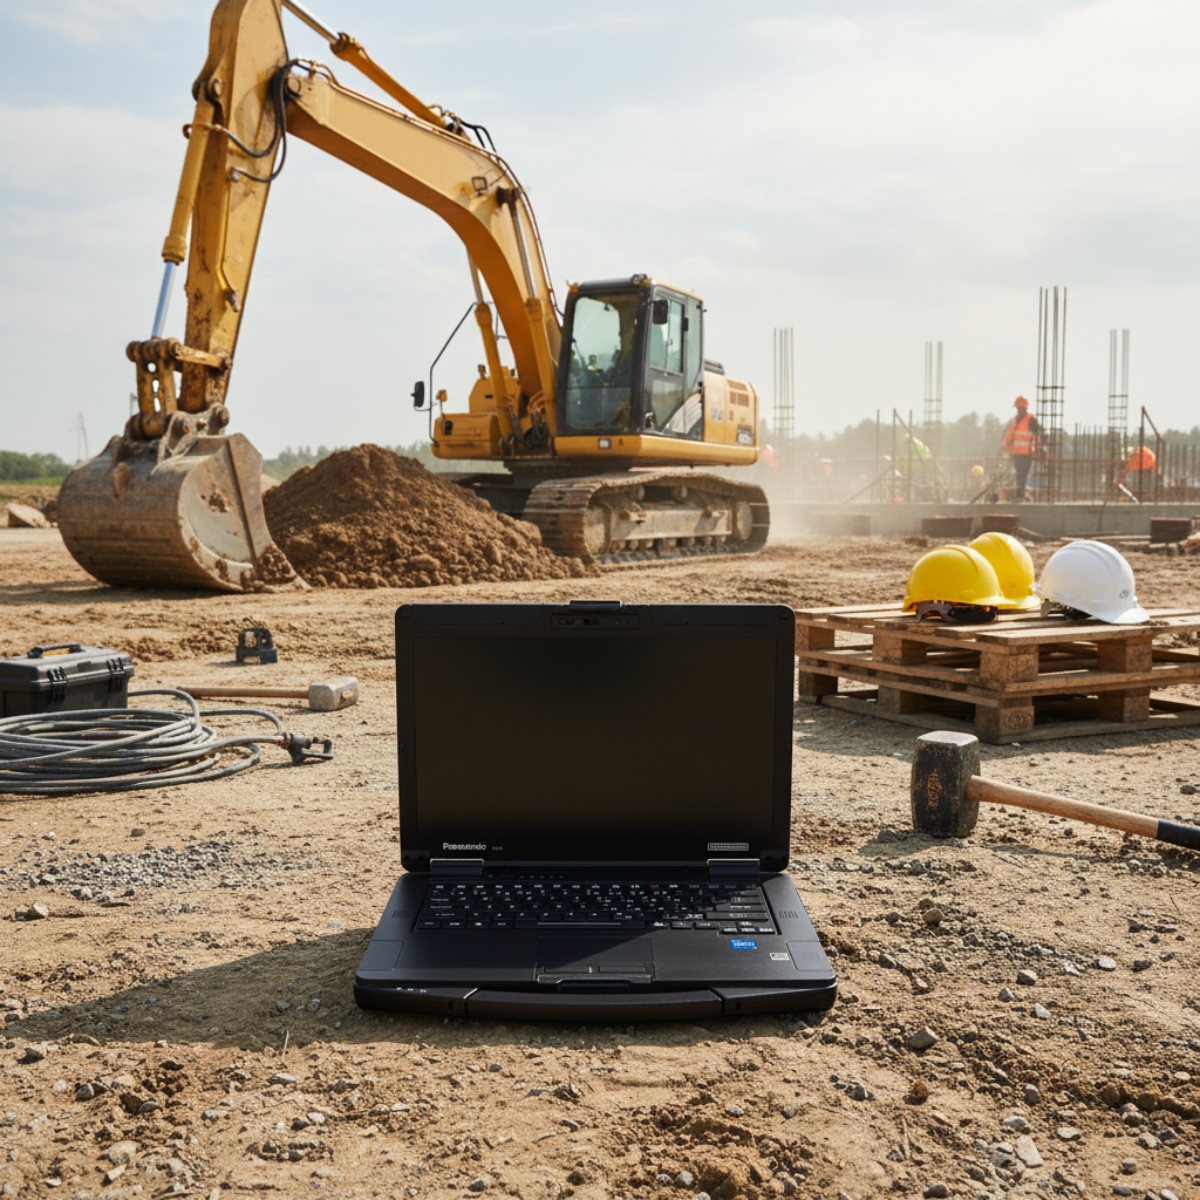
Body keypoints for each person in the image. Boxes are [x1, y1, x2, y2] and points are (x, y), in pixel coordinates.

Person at [1001, 396, 1041, 501]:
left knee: (1023, 474)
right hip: (1016, 453)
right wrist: (1005, 445)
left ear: (1024, 408)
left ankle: (1020, 494)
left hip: (1027, 453)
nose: (1018, 411)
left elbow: (1036, 436)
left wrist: (1036, 449)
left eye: (1020, 408)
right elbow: (1010, 433)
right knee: (1019, 473)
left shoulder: (1031, 419)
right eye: (1017, 408)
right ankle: (1020, 493)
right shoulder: (1016, 420)